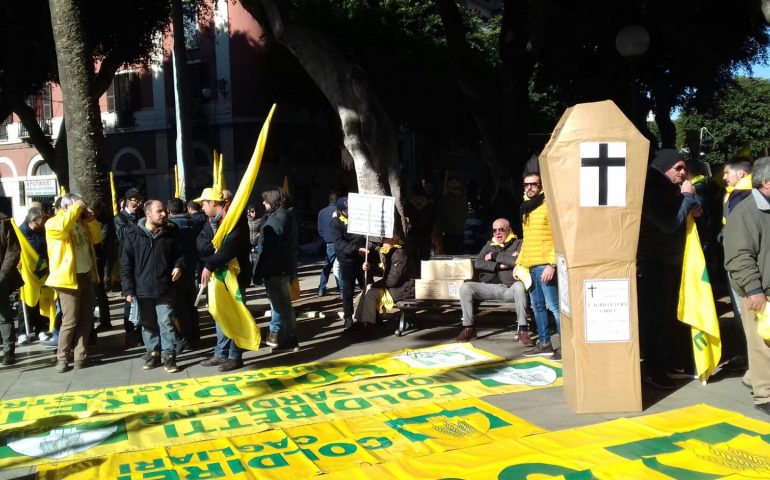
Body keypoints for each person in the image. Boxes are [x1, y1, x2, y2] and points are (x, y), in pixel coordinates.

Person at [637, 149, 702, 389]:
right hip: (654, 264)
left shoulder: (668, 189)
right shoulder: (650, 190)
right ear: (663, 168)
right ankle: (654, 370)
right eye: (678, 168)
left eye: (684, 168)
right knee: (654, 320)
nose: (683, 173)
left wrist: (694, 205)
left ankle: (674, 363)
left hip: (671, 263)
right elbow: (668, 224)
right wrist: (686, 199)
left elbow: (689, 204)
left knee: (670, 317)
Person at [724, 156, 770, 415]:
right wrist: (754, 290)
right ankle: (764, 395)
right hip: (758, 290)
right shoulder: (746, 211)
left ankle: (755, 378)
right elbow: (739, 255)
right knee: (762, 343)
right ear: (766, 183)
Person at [121, 200, 184, 373]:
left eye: (164, 210)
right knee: (148, 324)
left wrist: (179, 266)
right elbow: (126, 264)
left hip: (164, 286)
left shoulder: (171, 232)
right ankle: (153, 353)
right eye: (159, 211)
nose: (164, 214)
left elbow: (181, 254)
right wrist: (128, 289)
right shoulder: (133, 234)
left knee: (166, 321)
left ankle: (169, 356)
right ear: (148, 214)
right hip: (142, 290)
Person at [45, 193, 102, 372]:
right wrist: (76, 207)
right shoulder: (53, 223)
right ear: (65, 207)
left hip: (86, 274)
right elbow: (62, 228)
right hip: (67, 279)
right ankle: (62, 358)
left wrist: (91, 220)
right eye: (78, 206)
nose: (82, 210)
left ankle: (81, 356)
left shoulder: (81, 223)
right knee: (70, 320)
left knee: (86, 319)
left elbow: (97, 238)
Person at [196, 187, 251, 372]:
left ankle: (235, 356)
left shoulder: (235, 221)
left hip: (235, 277)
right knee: (219, 315)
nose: (202, 207)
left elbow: (231, 248)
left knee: (235, 315)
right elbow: (201, 245)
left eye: (204, 203)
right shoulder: (209, 222)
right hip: (218, 278)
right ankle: (221, 353)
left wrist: (210, 263)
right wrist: (213, 255)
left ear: (213, 203)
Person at [455, 218, 529, 344]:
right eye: (495, 230)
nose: (497, 233)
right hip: (490, 287)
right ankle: (469, 328)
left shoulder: (518, 243)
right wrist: (499, 266)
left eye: (501, 230)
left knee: (519, 287)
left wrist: (495, 257)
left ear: (509, 230)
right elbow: (478, 263)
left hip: (509, 288)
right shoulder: (490, 245)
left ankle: (522, 329)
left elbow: (516, 261)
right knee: (465, 287)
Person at [517, 172, 561, 360]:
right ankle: (544, 344)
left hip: (545, 264)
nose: (530, 187)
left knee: (554, 306)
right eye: (526, 184)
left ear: (541, 185)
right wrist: (519, 263)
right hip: (530, 265)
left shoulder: (548, 204)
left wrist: (552, 264)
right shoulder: (526, 207)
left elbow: (556, 237)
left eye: (534, 184)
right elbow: (528, 240)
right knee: (537, 307)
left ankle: (566, 347)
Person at [253, 186, 300, 351]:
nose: (263, 203)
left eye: (265, 200)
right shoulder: (288, 216)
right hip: (285, 267)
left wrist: (259, 272)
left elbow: (268, 251)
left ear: (272, 201)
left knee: (281, 305)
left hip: (275, 269)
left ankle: (288, 337)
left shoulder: (277, 219)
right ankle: (287, 336)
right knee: (283, 304)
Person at [721, 158, 754, 385]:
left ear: (741, 173)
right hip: (744, 263)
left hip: (743, 267)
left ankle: (754, 366)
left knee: (748, 316)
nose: (724, 177)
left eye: (726, 173)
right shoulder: (741, 193)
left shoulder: (743, 196)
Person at [352, 232, 414, 328]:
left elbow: (392, 280)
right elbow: (386, 272)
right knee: (367, 290)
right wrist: (370, 268)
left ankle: (369, 324)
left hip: (404, 289)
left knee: (371, 292)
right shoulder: (393, 252)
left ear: (391, 241)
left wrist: (374, 285)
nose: (381, 243)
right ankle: (361, 321)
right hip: (397, 287)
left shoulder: (399, 254)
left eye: (384, 240)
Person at [167, 198, 201, 346]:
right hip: (193, 264)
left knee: (180, 304)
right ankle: (195, 332)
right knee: (191, 300)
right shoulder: (195, 222)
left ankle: (186, 336)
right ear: (185, 209)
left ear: (169, 211)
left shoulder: (170, 227)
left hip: (177, 267)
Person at [114, 187, 145, 346]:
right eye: (133, 200)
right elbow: (123, 236)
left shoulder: (140, 216)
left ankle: (141, 332)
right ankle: (130, 332)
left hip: (141, 260)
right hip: (127, 261)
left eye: (139, 200)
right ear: (126, 201)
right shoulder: (120, 218)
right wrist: (140, 224)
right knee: (130, 297)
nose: (136, 203)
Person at [330, 197, 366, 331]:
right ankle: (348, 319)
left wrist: (364, 246)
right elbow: (339, 244)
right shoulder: (335, 223)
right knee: (348, 291)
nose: (349, 212)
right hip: (346, 261)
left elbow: (363, 236)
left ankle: (372, 315)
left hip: (361, 260)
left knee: (368, 287)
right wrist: (356, 248)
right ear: (339, 211)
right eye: (346, 211)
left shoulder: (358, 219)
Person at [15, 208, 48, 345]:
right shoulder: (20, 233)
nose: (40, 226)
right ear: (32, 220)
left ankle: (40, 329)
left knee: (39, 300)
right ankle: (22, 332)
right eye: (39, 223)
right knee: (26, 302)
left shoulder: (41, 231)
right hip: (26, 272)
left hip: (40, 269)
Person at [0, 211, 21, 365]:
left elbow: (13, 250)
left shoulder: (4, 222)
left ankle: (8, 351)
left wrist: (3, 274)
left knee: (4, 316)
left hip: (1, 277)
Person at [317, 191, 340, 296]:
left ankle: (322, 288)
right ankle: (341, 288)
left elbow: (320, 229)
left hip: (329, 242)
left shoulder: (322, 212)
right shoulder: (340, 211)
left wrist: (325, 238)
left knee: (327, 265)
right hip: (340, 241)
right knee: (340, 265)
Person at [247, 204, 262, 283]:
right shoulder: (246, 221)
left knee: (255, 261)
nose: (254, 213)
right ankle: (249, 277)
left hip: (256, 244)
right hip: (247, 244)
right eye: (252, 211)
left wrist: (259, 235)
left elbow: (262, 229)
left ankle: (255, 278)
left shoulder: (260, 220)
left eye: (255, 211)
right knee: (248, 261)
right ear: (249, 212)